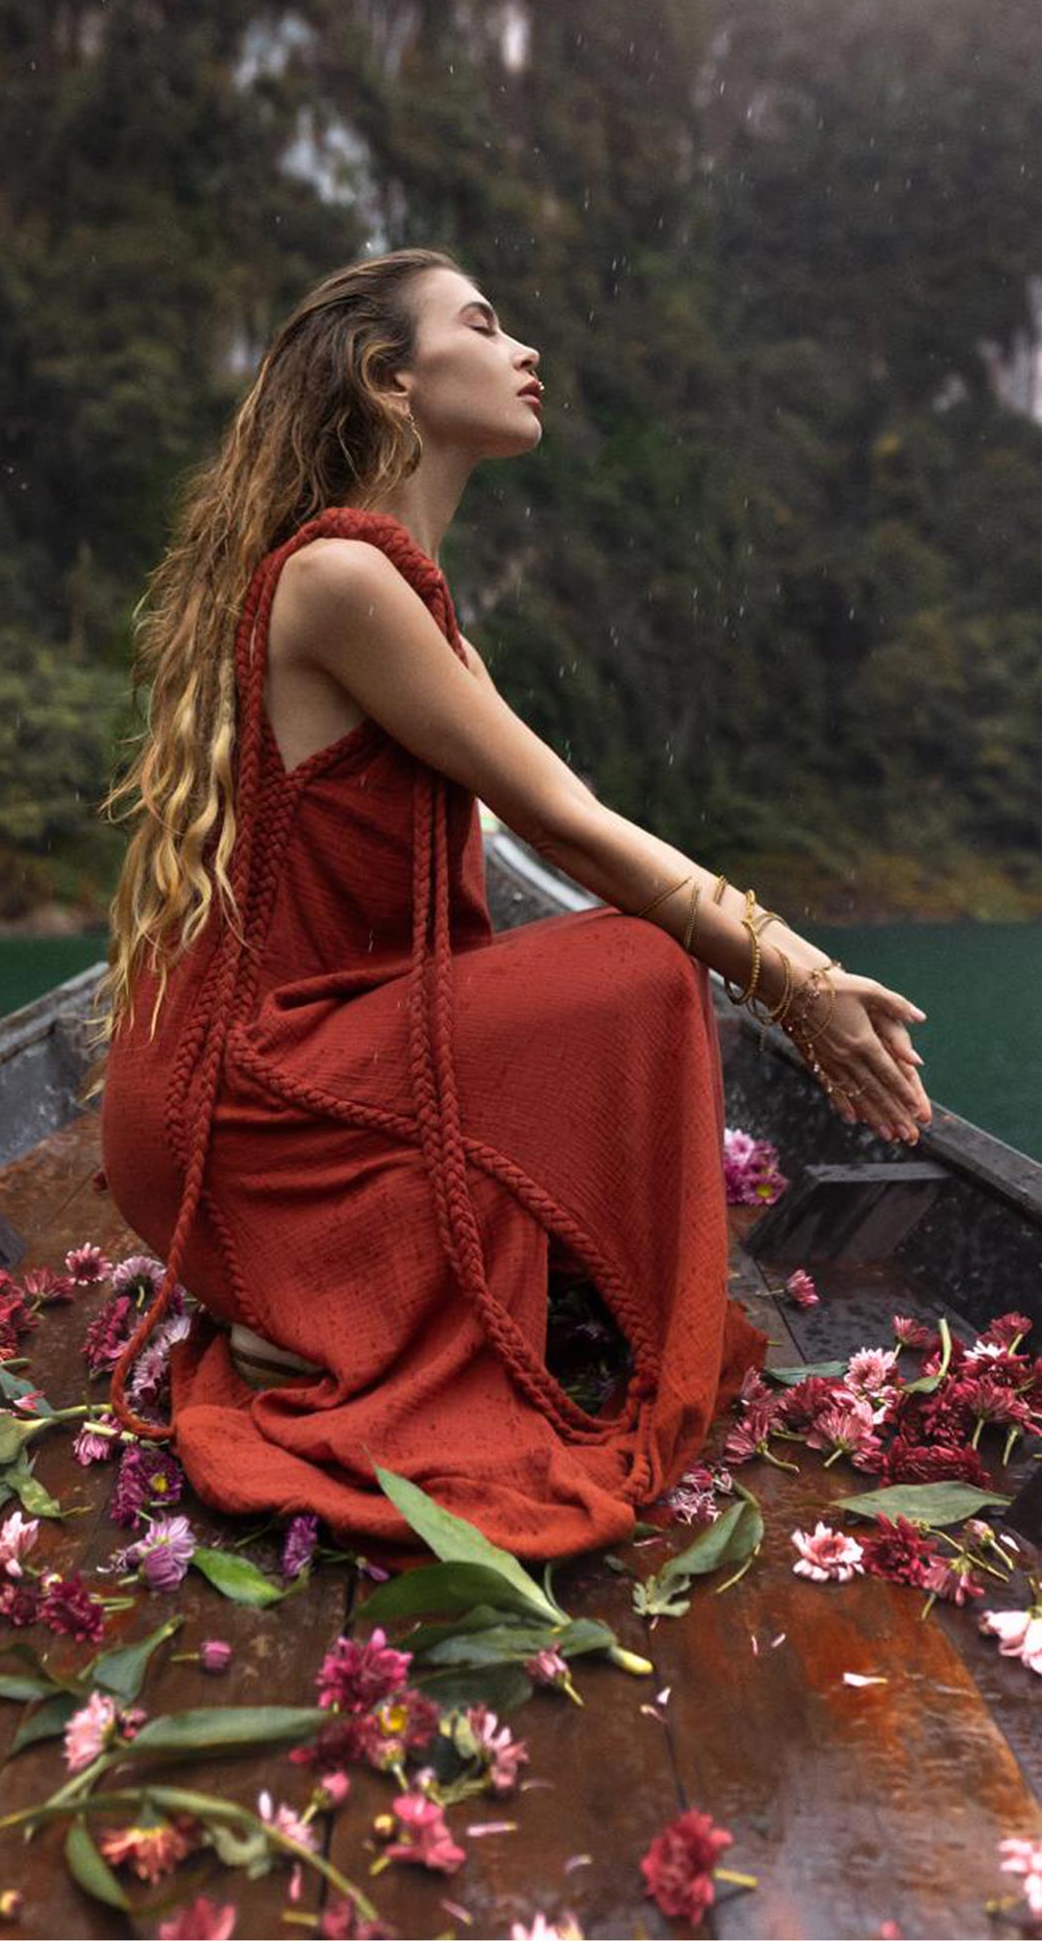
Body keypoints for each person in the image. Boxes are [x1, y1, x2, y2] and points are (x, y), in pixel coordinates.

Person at [86, 247, 933, 1569]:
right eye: (481, 325)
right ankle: (316, 1298)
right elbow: (566, 829)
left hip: (287, 1060)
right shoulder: (341, 577)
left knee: (607, 969)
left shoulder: (407, 608)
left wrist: (780, 967)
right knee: (645, 969)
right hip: (242, 1100)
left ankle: (339, 1293)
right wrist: (796, 975)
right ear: (389, 381)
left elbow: (567, 813)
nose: (523, 349)